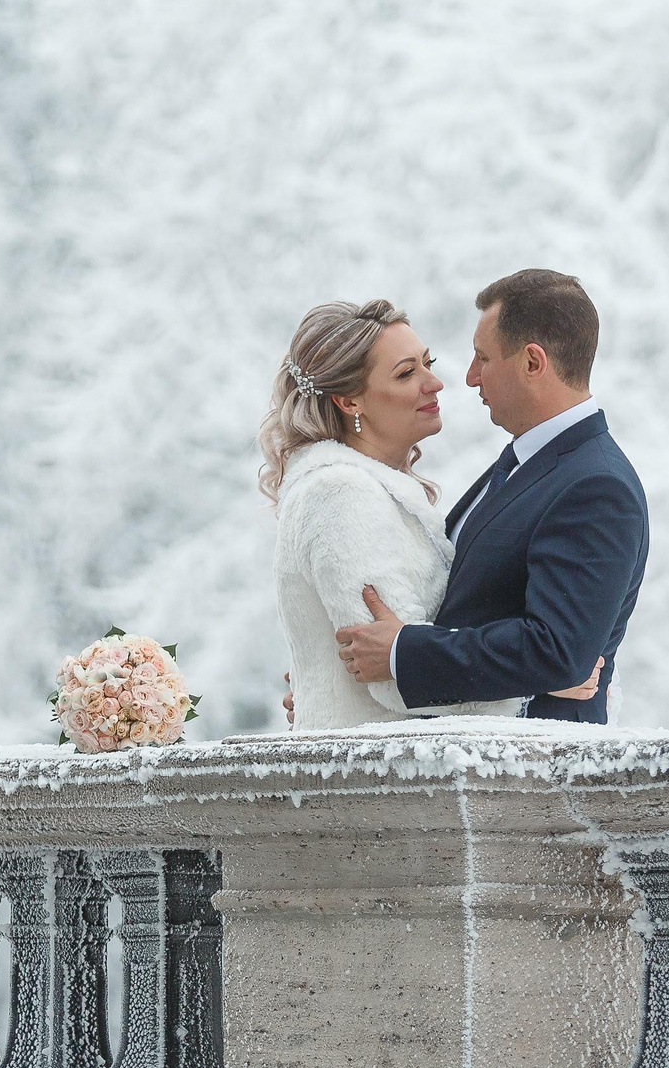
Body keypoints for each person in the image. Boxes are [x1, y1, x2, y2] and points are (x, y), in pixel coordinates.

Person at [261, 298, 598, 730]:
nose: (435, 383)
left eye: (427, 362)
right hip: (373, 781)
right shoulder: (339, 494)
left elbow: (404, 647)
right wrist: (541, 683)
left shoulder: (377, 492)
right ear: (350, 402)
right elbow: (390, 674)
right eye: (406, 373)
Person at [332, 269, 647, 725]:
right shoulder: (526, 461)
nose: (470, 377)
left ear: (533, 363)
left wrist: (404, 653)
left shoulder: (596, 486)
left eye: (483, 358)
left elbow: (558, 651)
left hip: (526, 781)